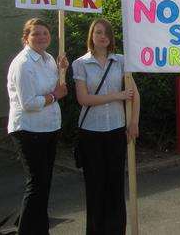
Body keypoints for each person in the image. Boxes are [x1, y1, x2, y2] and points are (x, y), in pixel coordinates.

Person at [72, 18, 140, 235]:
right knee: (95, 186)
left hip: (116, 130)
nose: (102, 36)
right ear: (91, 35)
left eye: (106, 33)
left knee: (115, 185)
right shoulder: (80, 63)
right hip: (91, 132)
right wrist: (116, 95)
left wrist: (134, 122)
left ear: (111, 38)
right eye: (98, 32)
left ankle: (116, 230)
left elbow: (135, 95)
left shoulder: (121, 61)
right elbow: (84, 99)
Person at [7, 18, 68, 235]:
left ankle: (40, 230)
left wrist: (62, 71)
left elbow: (56, 88)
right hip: (29, 130)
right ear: (26, 38)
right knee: (36, 185)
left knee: (44, 184)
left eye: (45, 33)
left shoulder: (49, 58)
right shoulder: (23, 63)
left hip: (49, 128)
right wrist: (54, 95)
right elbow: (30, 103)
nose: (41, 37)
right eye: (36, 34)